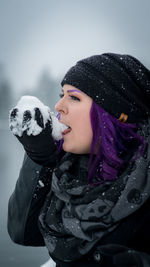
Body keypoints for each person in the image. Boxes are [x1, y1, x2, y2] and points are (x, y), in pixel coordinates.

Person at [7, 53, 150, 267]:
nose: (58, 106)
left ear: (115, 114)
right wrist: (42, 158)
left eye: (73, 97)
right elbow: (23, 234)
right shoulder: (70, 171)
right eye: (61, 94)